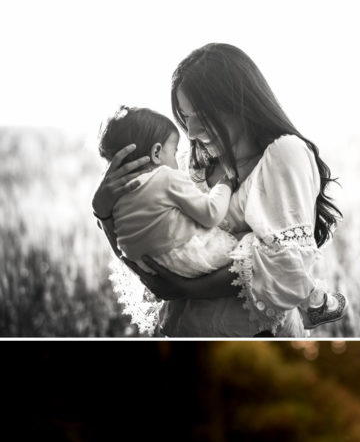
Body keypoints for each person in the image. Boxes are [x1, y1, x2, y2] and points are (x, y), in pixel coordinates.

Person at [91, 43, 345, 337]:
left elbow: (288, 267)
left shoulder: (284, 154)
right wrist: (104, 212)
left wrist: (187, 288)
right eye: (185, 118)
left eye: (201, 115)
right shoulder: (188, 165)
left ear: (238, 103)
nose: (193, 132)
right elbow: (148, 252)